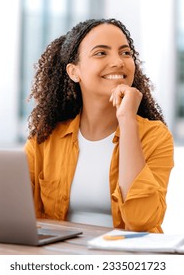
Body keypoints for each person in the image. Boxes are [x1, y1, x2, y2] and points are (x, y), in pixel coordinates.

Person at [24, 18, 174, 233]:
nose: (119, 62)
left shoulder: (155, 136)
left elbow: (142, 221)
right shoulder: (45, 138)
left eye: (125, 52)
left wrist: (128, 120)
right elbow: (15, 211)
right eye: (101, 53)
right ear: (74, 72)